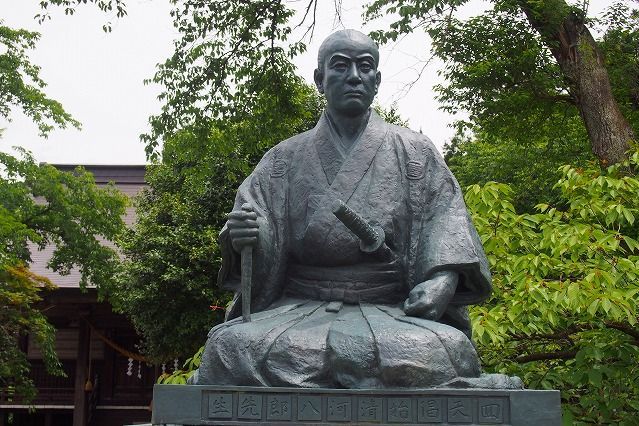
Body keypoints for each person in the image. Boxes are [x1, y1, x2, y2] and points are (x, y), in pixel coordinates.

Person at [193, 29, 519, 389]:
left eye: (365, 67)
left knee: (441, 348)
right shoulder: (282, 160)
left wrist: (442, 281)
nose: (353, 76)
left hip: (391, 313)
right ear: (320, 79)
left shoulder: (415, 152)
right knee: (230, 347)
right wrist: (249, 236)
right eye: (340, 66)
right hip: (299, 312)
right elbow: (254, 220)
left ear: (376, 80)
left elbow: (446, 218)